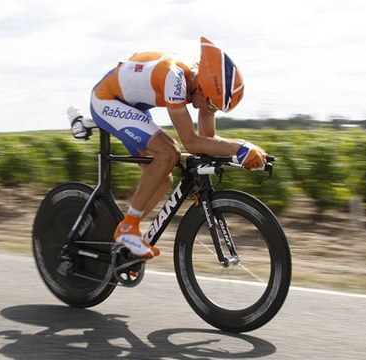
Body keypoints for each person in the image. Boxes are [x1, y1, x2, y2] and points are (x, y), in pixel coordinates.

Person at [74, 36, 267, 259]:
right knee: (169, 153)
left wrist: (241, 151)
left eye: (217, 108)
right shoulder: (175, 79)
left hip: (132, 105)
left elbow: (208, 139)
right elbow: (191, 142)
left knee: (163, 177)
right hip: (107, 100)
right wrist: (240, 147)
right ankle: (128, 228)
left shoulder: (201, 86)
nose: (211, 110)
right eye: (212, 104)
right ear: (203, 88)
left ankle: (120, 237)